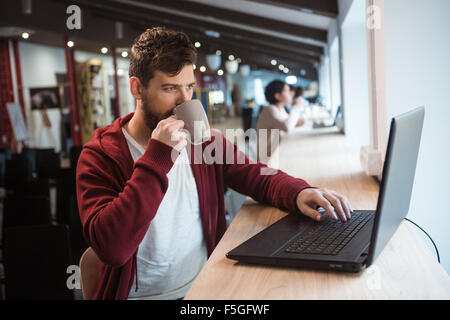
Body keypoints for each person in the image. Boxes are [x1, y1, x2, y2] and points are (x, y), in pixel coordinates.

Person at [76, 27, 353, 300]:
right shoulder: (100, 156)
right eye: (170, 88)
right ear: (137, 88)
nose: (185, 101)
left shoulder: (204, 143)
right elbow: (113, 248)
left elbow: (258, 176)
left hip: (207, 285)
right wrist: (157, 158)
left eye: (189, 87)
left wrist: (298, 192)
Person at [255, 81, 304, 159]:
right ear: (278, 96)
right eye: (287, 91)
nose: (291, 93)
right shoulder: (270, 110)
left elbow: (286, 124)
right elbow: (286, 127)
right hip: (267, 160)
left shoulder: (280, 108)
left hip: (277, 153)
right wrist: (296, 107)